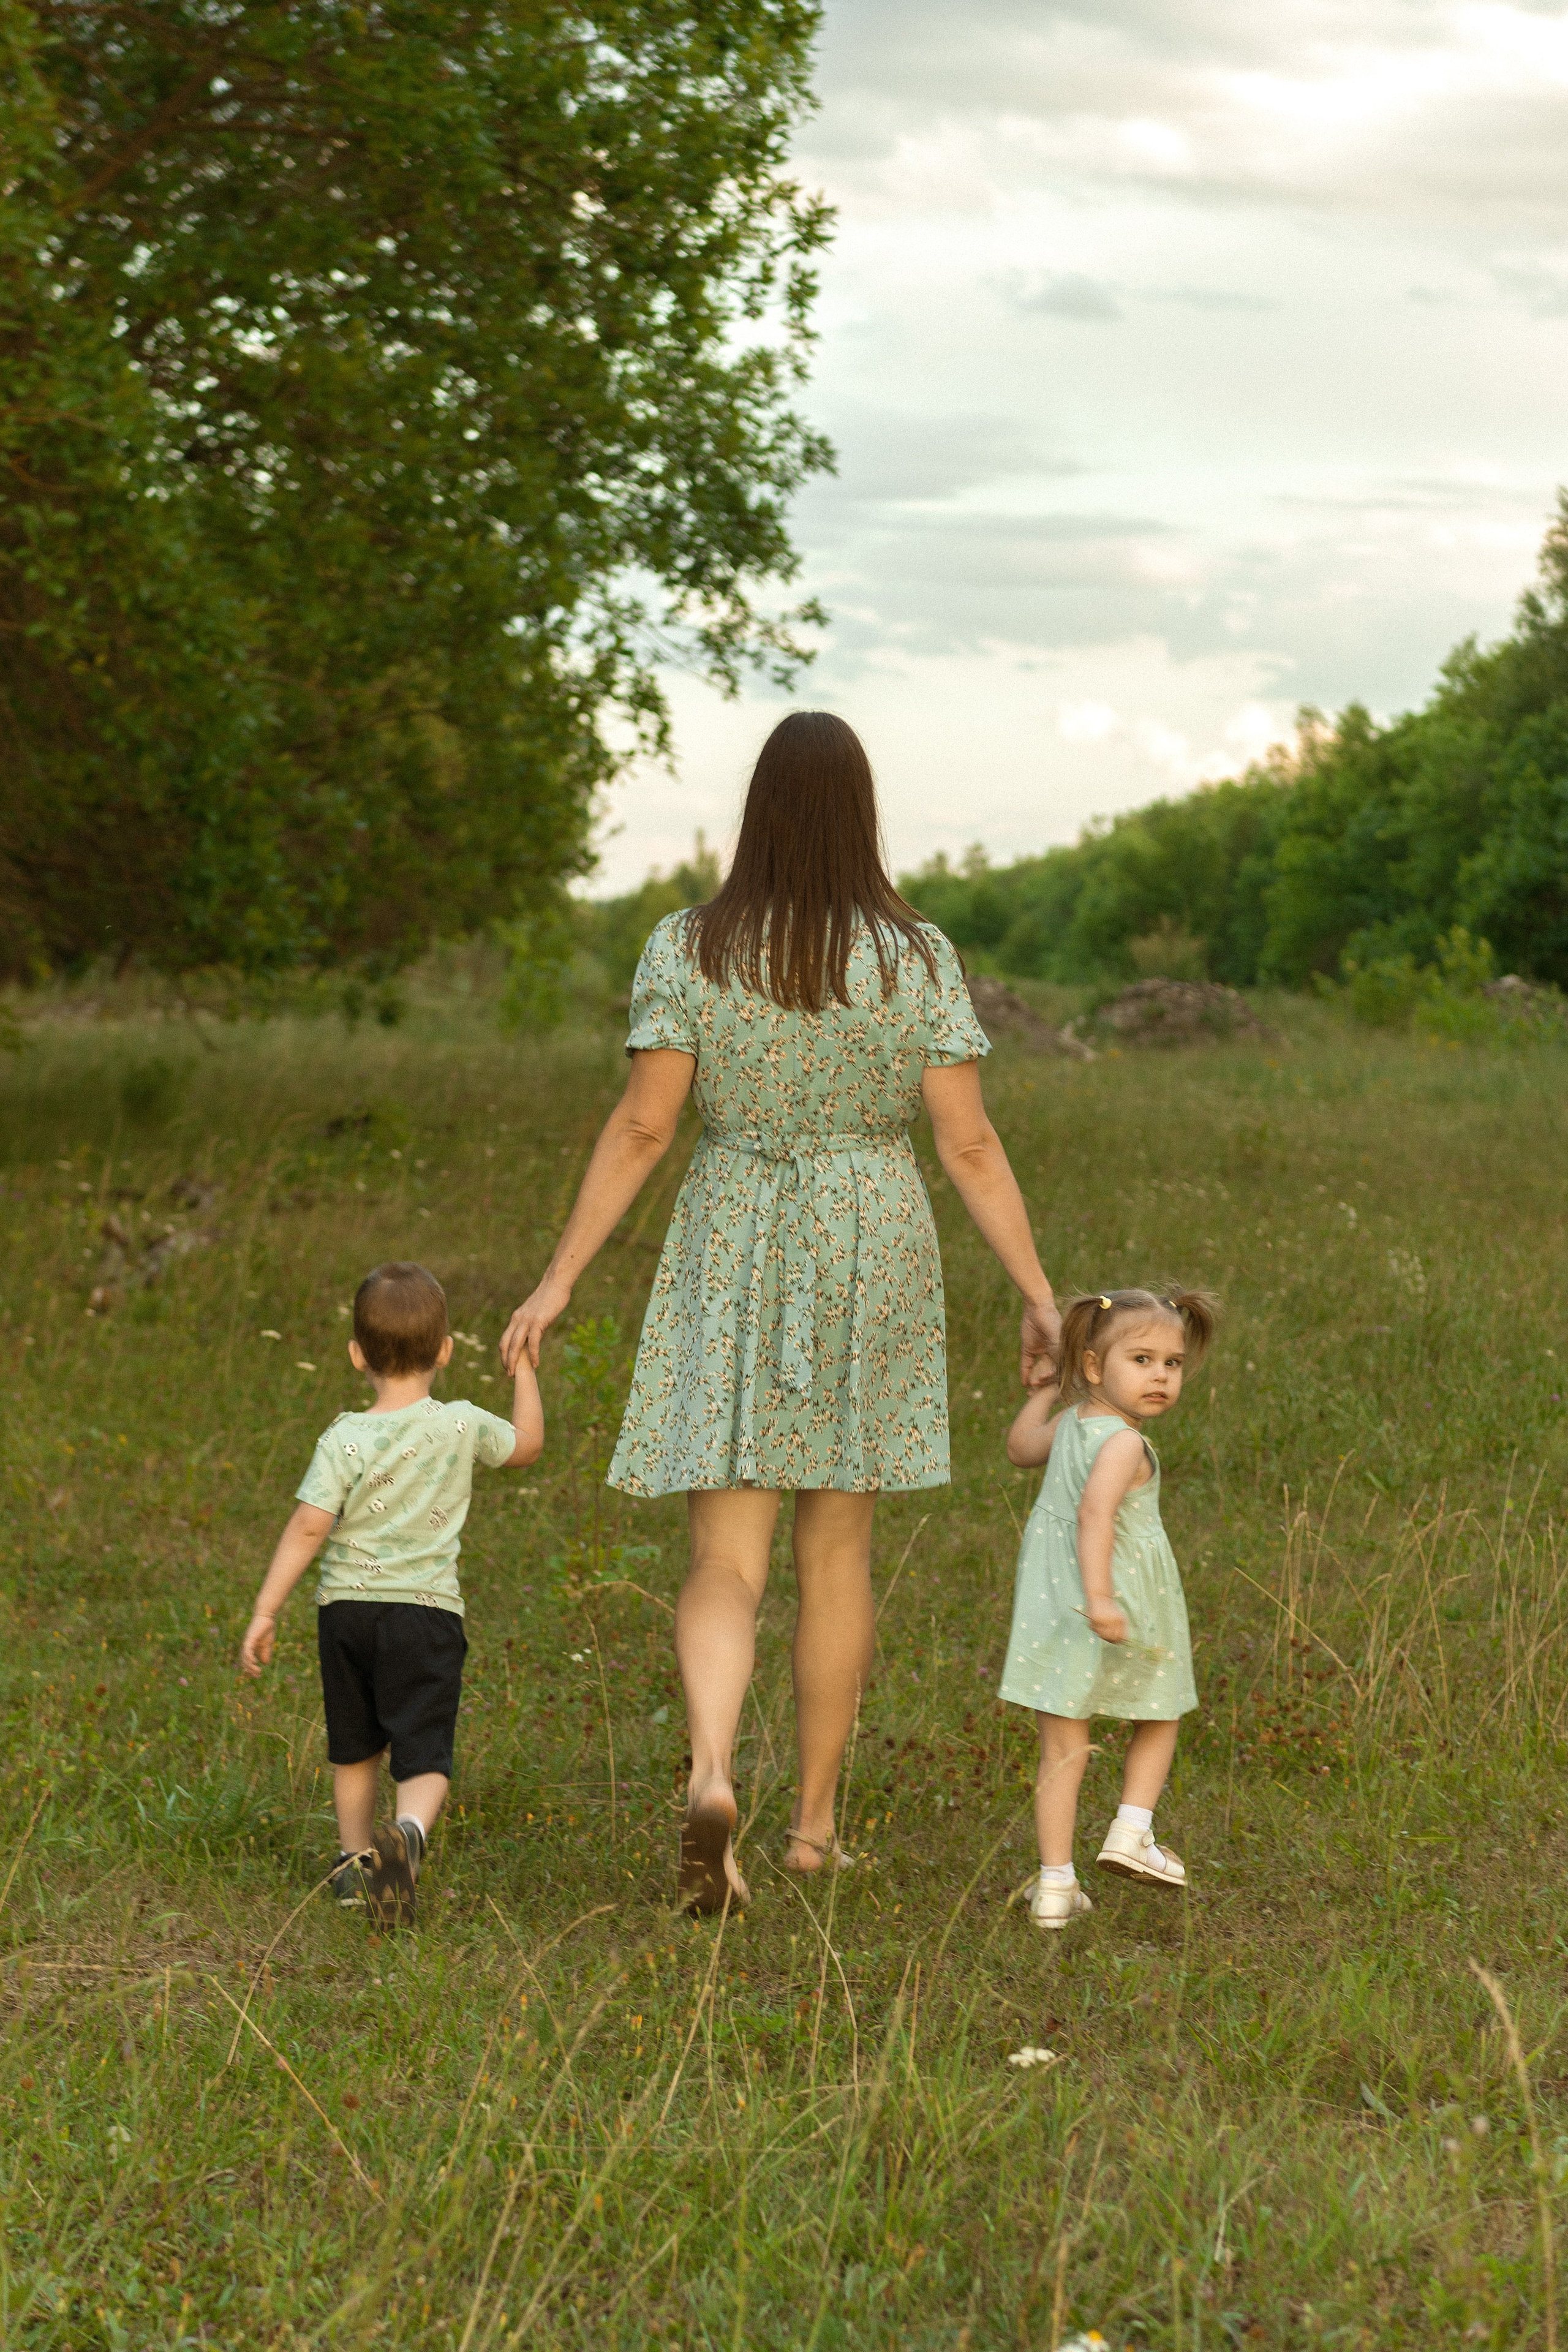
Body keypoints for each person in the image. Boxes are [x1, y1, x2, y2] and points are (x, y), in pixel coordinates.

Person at [500, 710, 1060, 1913]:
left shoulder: (688, 945)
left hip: (733, 1231)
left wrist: (557, 1280)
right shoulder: (915, 955)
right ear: (860, 813)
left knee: (723, 1555)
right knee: (836, 1551)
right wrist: (1037, 1294)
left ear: (756, 809)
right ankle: (809, 1829)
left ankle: (710, 1775)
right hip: (869, 1238)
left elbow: (647, 1124)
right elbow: (965, 1142)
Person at [240, 1261, 543, 1927]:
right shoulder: (461, 1424)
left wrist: (266, 1609)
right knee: (423, 1750)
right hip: (425, 1614)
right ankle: (406, 1834)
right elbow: (526, 1447)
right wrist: (524, 1371)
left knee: (354, 1744)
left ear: (356, 1357)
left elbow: (308, 1525)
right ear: (445, 1350)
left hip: (345, 1613)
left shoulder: (344, 1437)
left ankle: (355, 1866)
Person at [998, 1286, 1216, 1930]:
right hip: (1117, 1599)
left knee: (1062, 1746)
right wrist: (1102, 1598)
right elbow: (1095, 1515)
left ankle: (1055, 1886)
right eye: (1141, 1360)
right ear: (1094, 1367)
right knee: (1160, 1713)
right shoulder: (1123, 1444)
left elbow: (1018, 1448)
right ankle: (1131, 1830)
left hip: (1053, 1605)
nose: (1160, 1377)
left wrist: (1046, 1389)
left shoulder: (1071, 1423)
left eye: (1171, 1364)